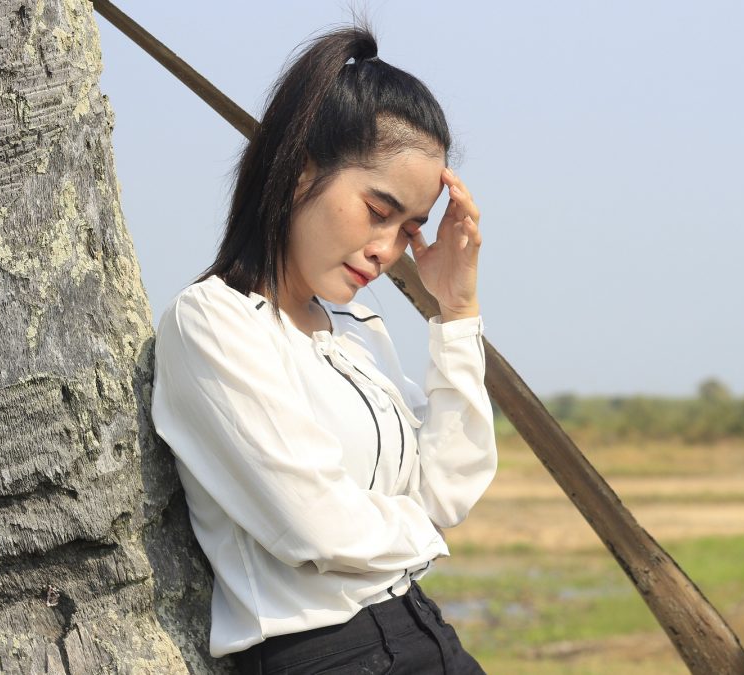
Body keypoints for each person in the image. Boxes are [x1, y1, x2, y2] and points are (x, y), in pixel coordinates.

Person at [149, 23, 496, 675]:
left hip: (428, 636)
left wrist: (456, 313)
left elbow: (449, 485)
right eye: (376, 209)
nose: (387, 250)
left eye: (409, 228)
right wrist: (423, 530)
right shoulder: (213, 323)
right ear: (302, 167)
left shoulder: (358, 329)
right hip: (323, 657)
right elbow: (312, 527)